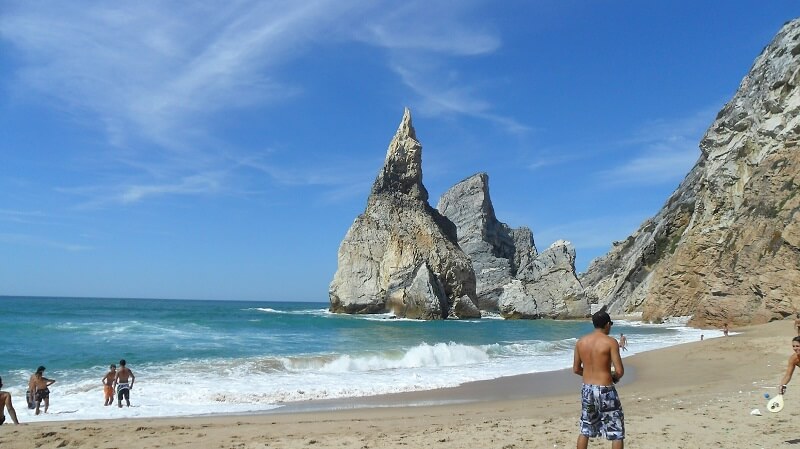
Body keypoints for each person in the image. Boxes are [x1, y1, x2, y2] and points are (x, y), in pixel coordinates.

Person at [573, 306, 625, 449]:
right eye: (611, 324)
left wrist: (591, 374)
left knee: (585, 429)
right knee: (616, 430)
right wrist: (612, 376)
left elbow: (576, 369)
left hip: (587, 390)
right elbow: (620, 371)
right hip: (605, 390)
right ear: (607, 324)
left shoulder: (581, 342)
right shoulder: (610, 342)